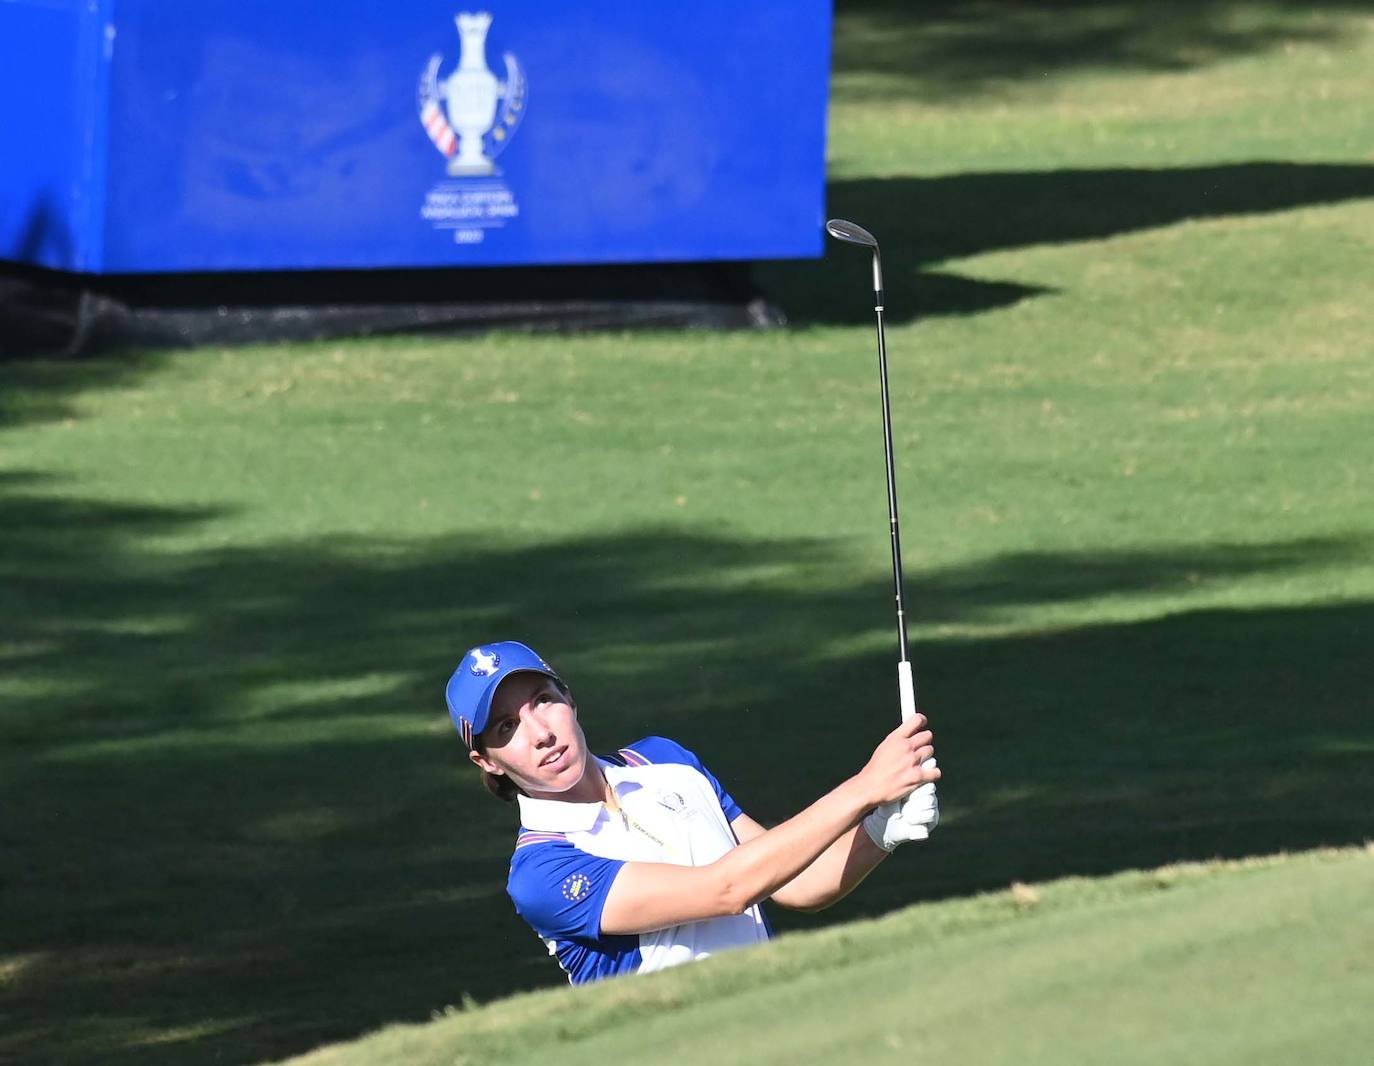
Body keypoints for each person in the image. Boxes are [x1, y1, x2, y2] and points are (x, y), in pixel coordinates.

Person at [446, 640, 940, 985]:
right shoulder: (541, 872)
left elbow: (794, 883)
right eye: (507, 727)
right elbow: (726, 889)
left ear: (569, 699)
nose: (540, 733)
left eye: (543, 701)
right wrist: (864, 787)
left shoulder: (665, 760)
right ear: (487, 760)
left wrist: (880, 828)